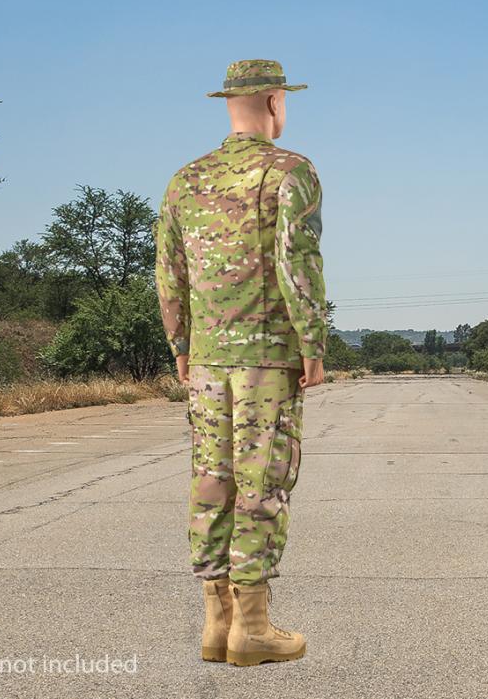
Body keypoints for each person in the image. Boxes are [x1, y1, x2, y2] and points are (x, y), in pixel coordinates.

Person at [154, 58, 328, 666]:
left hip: (205, 359)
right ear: (276, 102)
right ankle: (251, 628)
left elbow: (169, 276)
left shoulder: (184, 180)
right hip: (267, 357)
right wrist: (313, 344)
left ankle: (214, 624)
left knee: (212, 481)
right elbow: (296, 263)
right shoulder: (290, 171)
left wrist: (180, 346)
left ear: (229, 103)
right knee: (262, 480)